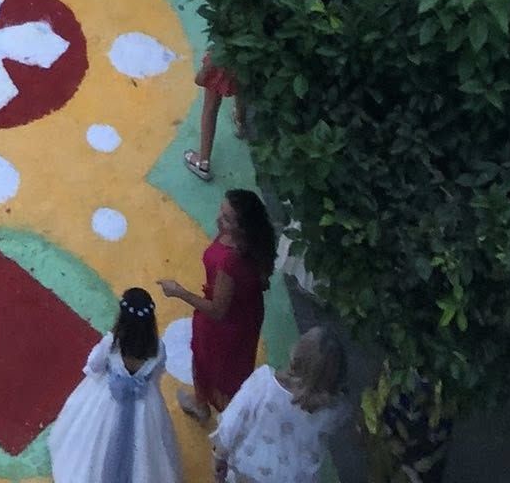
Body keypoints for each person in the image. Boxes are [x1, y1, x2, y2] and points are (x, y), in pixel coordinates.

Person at [160, 189, 277, 426]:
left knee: (212, 365)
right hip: (246, 313)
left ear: (242, 227)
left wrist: (179, 292)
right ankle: (209, 406)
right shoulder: (252, 244)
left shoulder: (230, 260)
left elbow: (217, 311)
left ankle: (214, 413)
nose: (218, 219)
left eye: (226, 218)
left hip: (224, 327)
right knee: (229, 368)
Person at [48, 287, 180, 483]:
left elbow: (94, 366)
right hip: (145, 405)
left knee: (94, 444)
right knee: (146, 449)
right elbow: (157, 374)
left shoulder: (112, 344)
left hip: (107, 400)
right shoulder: (158, 348)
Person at [212, 329, 347, 483]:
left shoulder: (263, 383)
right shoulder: (333, 411)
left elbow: (232, 422)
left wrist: (219, 456)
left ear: (297, 355)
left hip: (249, 468)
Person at [185, 50, 247, 184]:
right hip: (247, 59)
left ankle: (203, 162)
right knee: (242, 88)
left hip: (224, 60)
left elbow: (223, 42)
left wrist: (205, 71)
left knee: (210, 108)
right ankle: (241, 123)